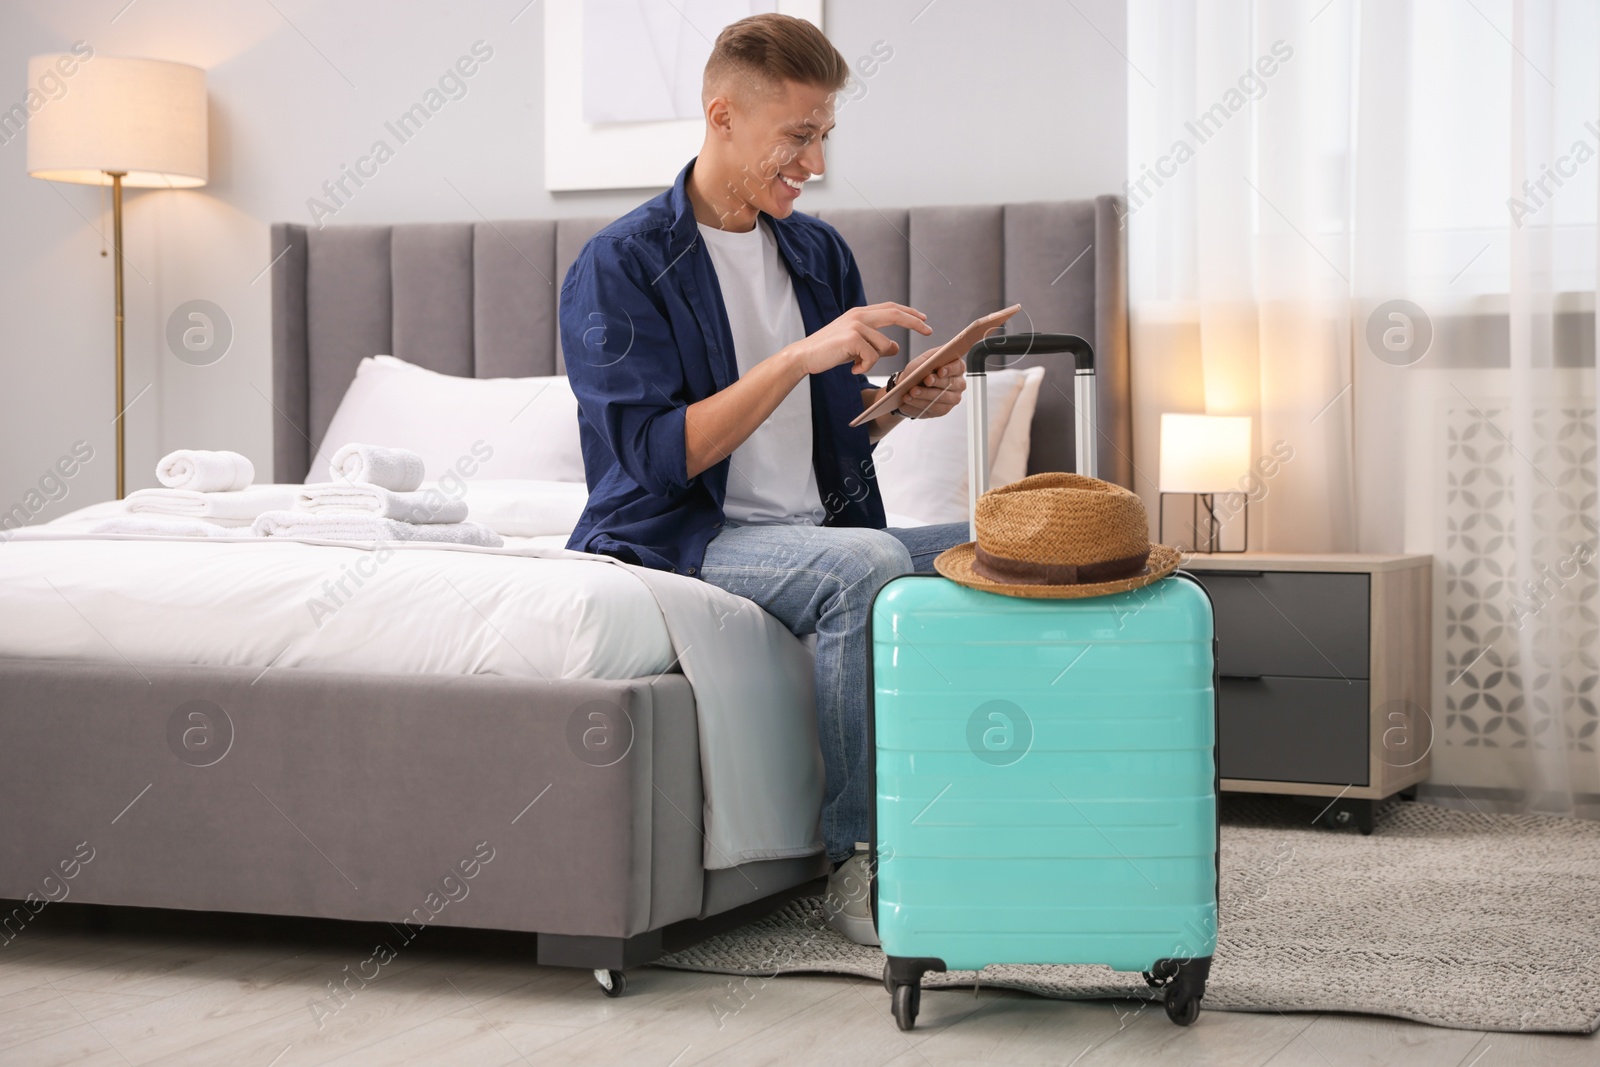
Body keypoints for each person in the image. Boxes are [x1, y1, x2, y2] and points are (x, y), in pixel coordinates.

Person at [560, 13, 970, 945]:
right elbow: (659, 457)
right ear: (723, 117)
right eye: (798, 136)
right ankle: (856, 860)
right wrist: (796, 357)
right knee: (863, 569)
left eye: (824, 135)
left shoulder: (816, 251)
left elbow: (837, 427)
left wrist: (906, 400)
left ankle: (989, 826)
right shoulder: (619, 265)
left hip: (814, 532)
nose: (814, 162)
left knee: (993, 551)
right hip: (681, 540)